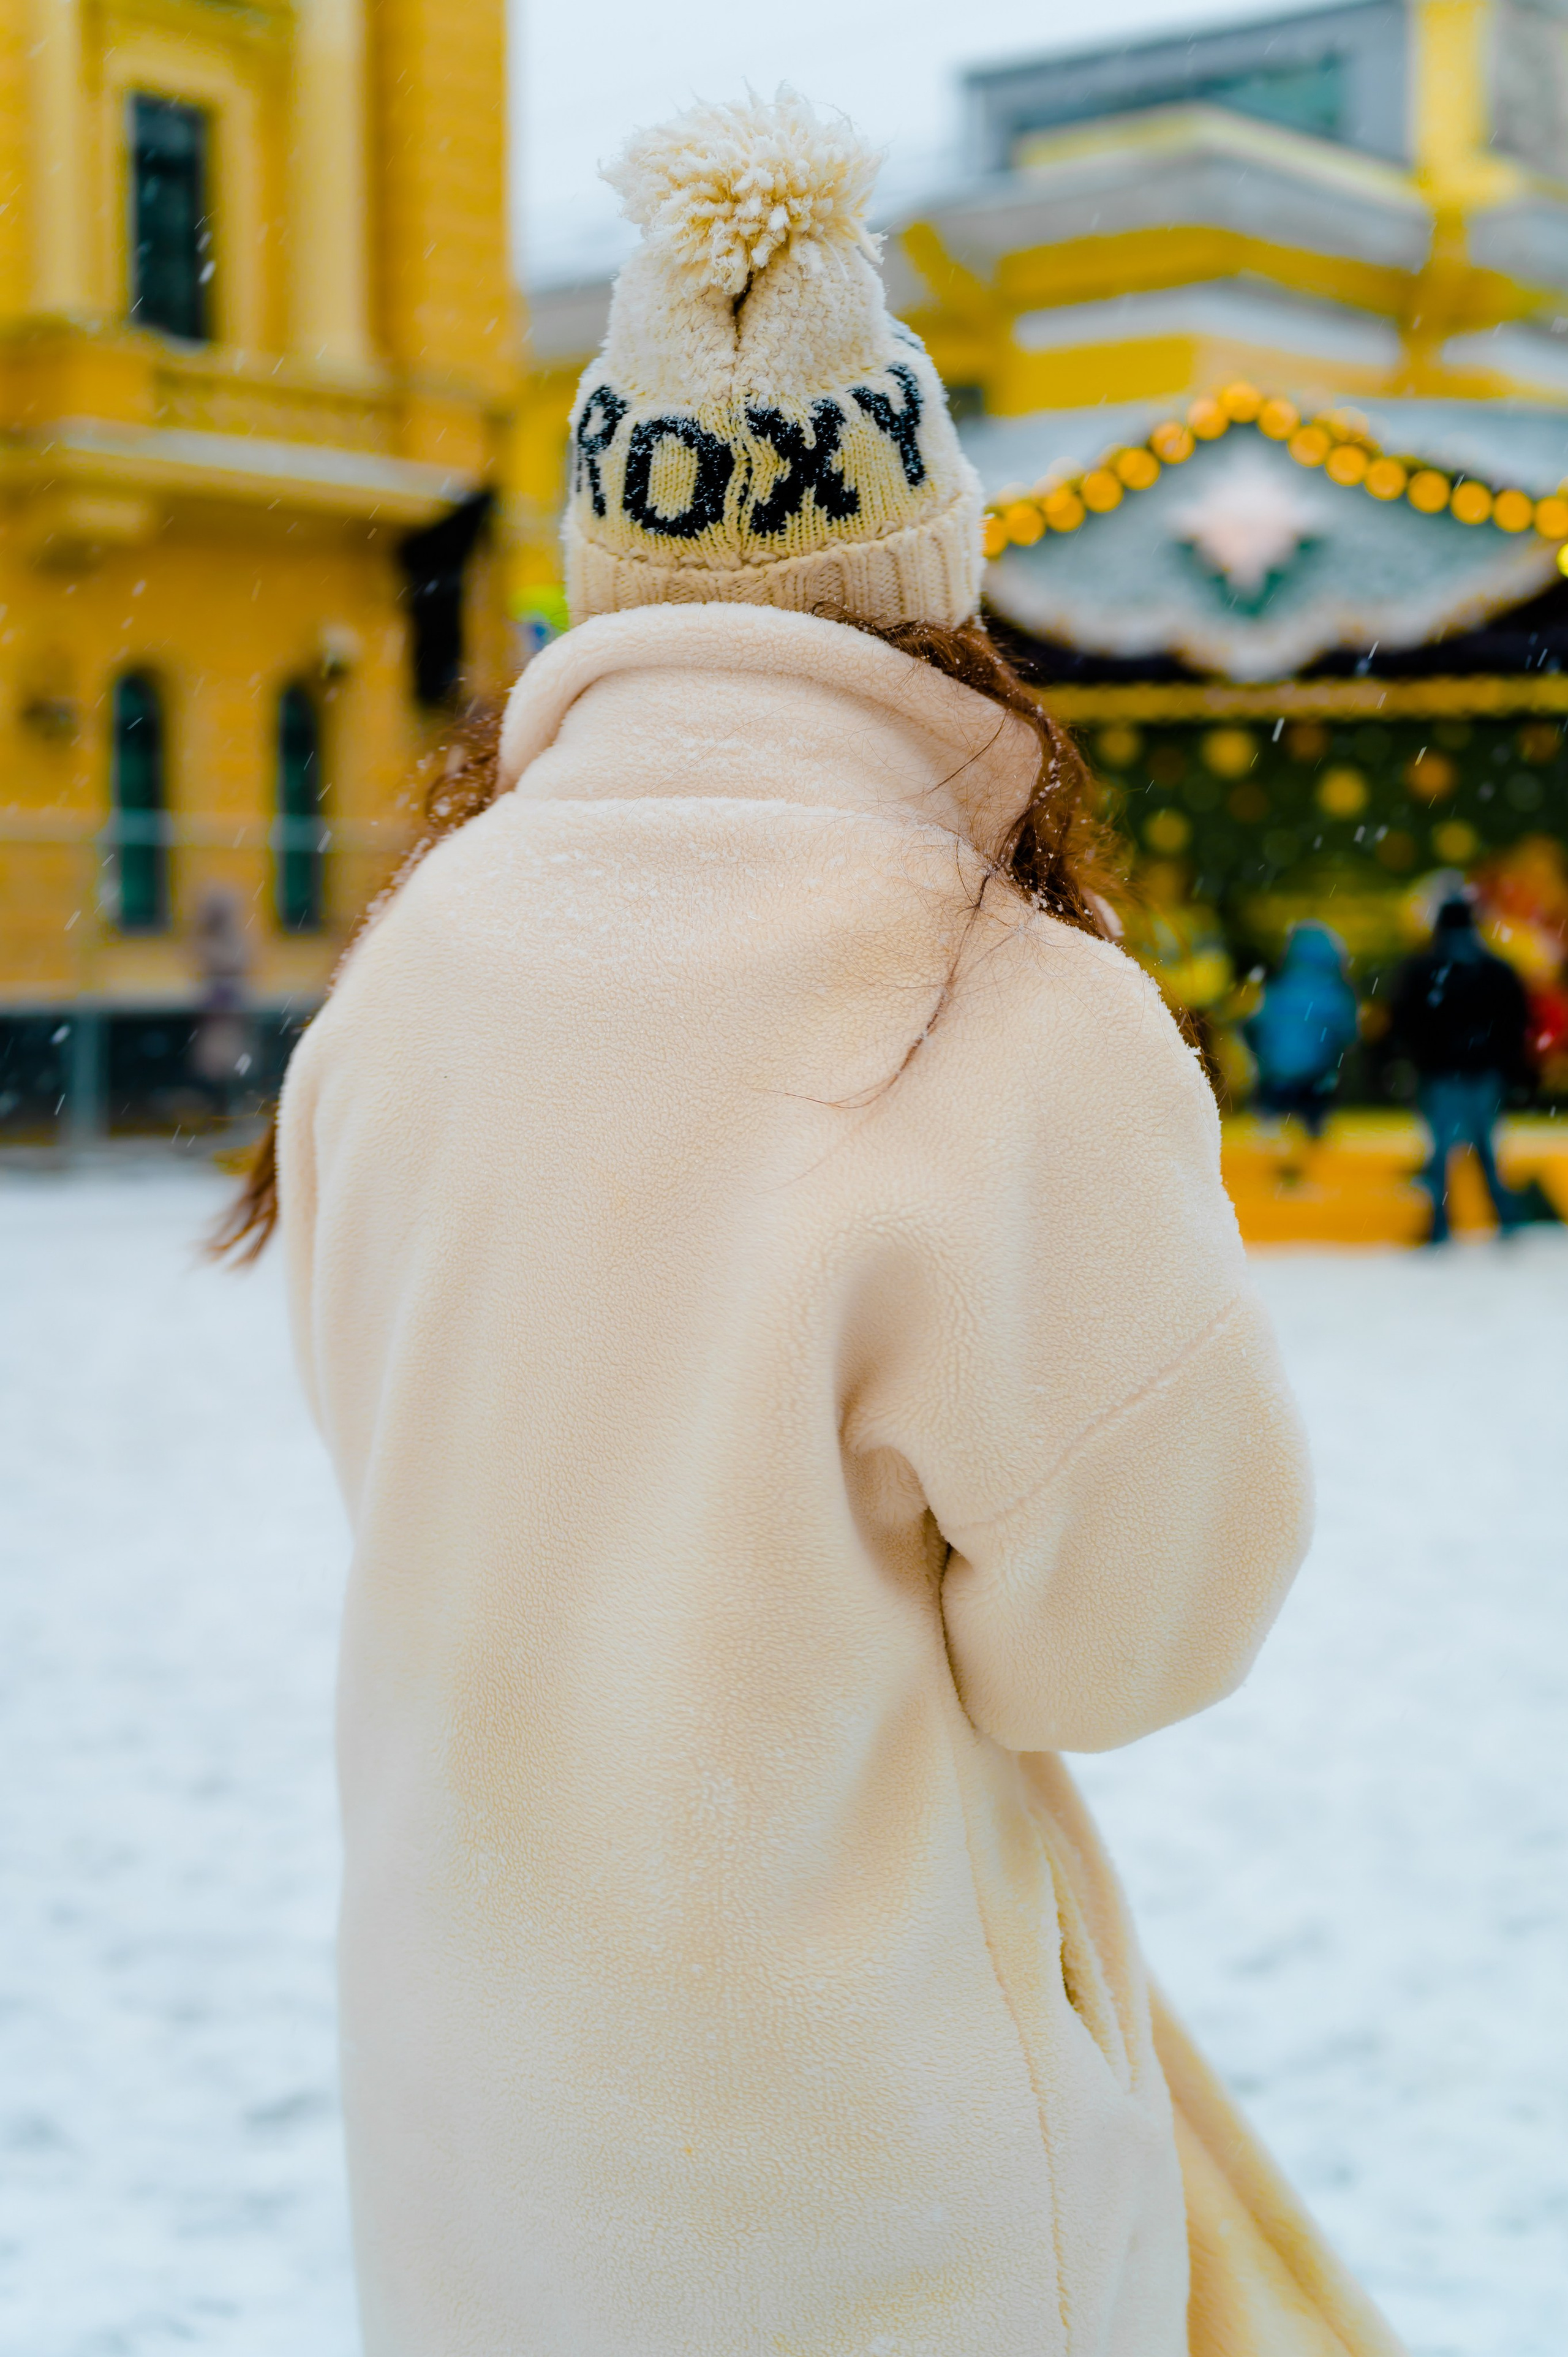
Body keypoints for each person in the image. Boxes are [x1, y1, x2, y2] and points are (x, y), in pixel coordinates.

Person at [214, 96, 1396, 2357]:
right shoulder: (1005, 1005)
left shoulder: (409, 975)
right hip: (873, 2164)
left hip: (477, 2127)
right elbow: (1133, 1634)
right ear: (927, 565)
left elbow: (416, 1460)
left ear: (603, 560)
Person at [1392, 892, 1532, 1242]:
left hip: (1441, 1071)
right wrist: (1505, 1062)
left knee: (1441, 1150)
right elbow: (1516, 1022)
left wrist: (1421, 1056)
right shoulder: (1496, 969)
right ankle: (1505, 1218)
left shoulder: (1424, 969)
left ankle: (1440, 1225)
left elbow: (1406, 1021)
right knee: (1485, 1146)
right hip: (1484, 1071)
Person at [1243, 921, 1359, 1137]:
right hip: (1315, 1080)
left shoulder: (1277, 989)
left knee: (1272, 1135)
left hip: (1276, 1078)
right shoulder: (1335, 994)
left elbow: (1254, 1026)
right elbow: (1348, 1034)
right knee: (1313, 1138)